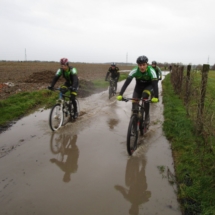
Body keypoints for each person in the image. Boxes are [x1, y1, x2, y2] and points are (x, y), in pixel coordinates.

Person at [116, 55, 159, 124]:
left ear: (147, 64)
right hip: (138, 87)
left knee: (145, 96)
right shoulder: (135, 71)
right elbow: (126, 83)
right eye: (140, 65)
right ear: (138, 65)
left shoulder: (151, 71)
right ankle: (134, 120)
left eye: (143, 65)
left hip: (148, 86)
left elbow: (155, 84)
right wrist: (120, 94)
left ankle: (147, 116)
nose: (142, 67)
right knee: (135, 103)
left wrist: (156, 97)